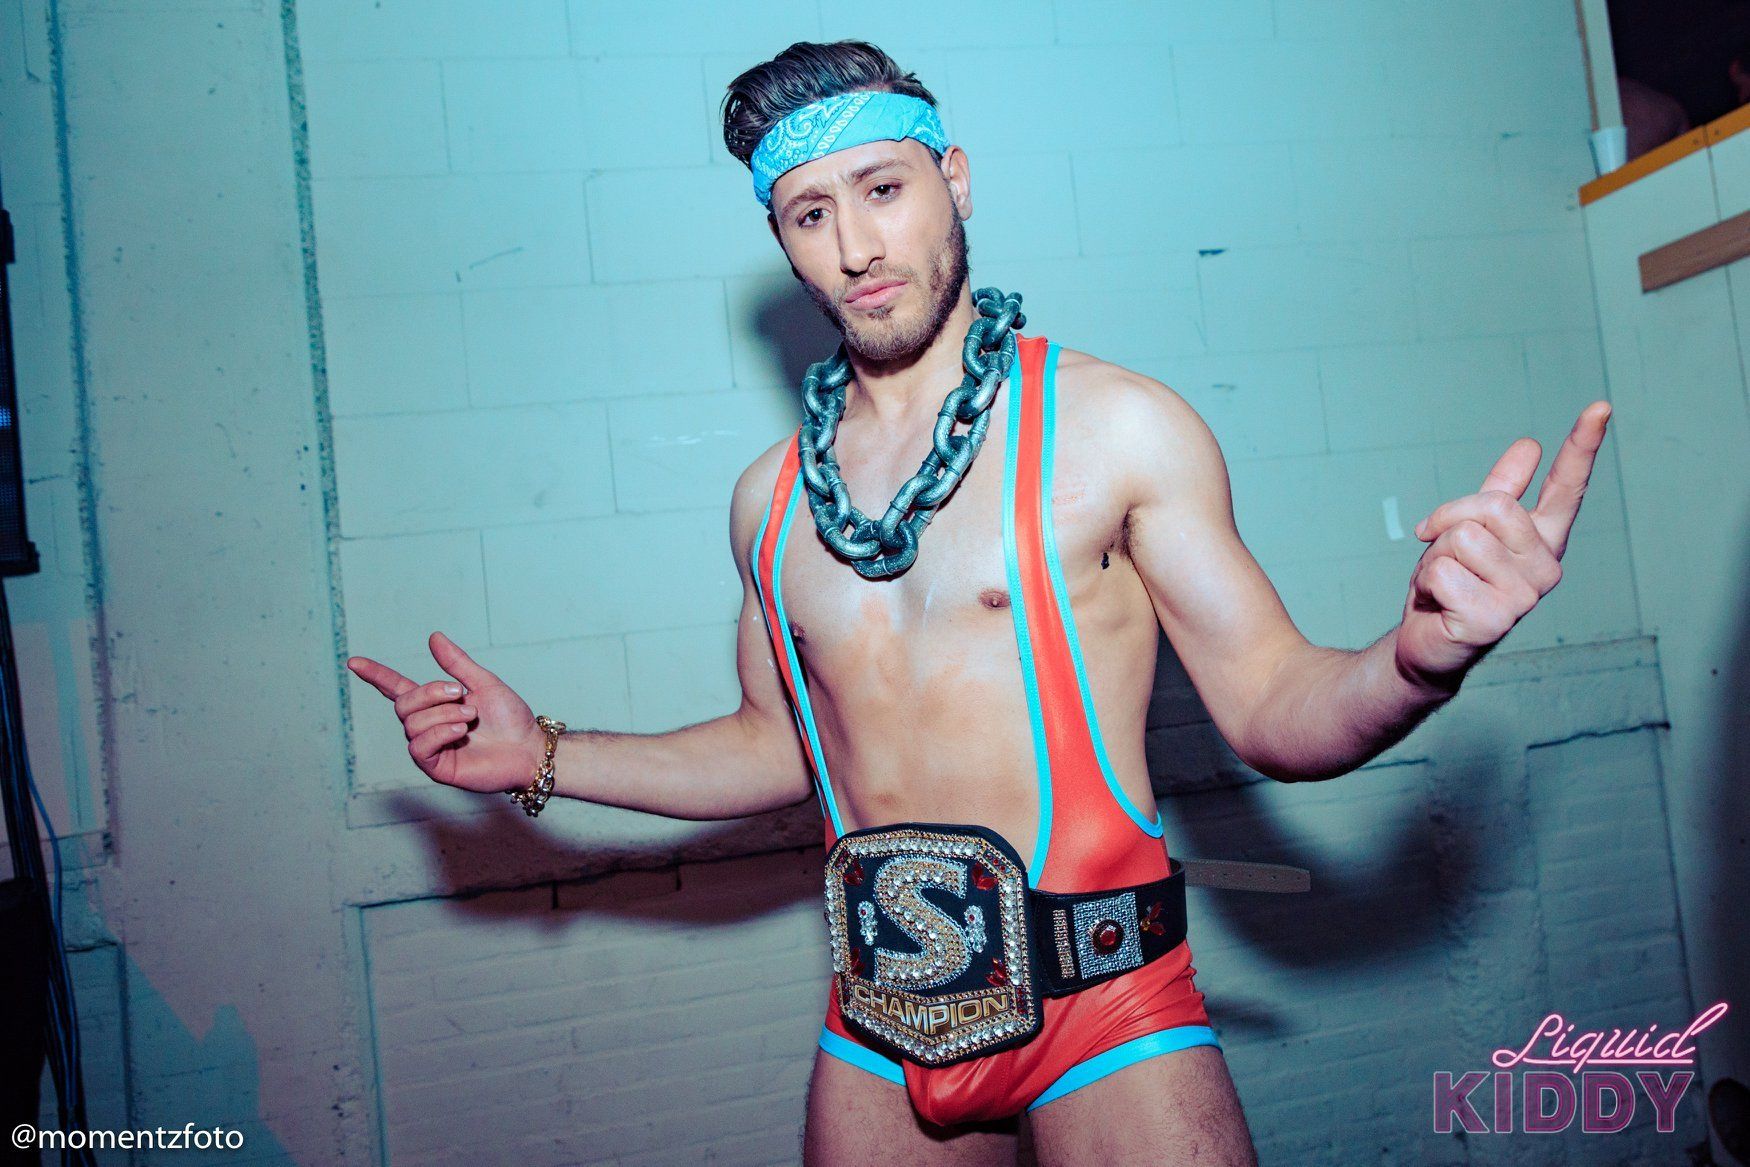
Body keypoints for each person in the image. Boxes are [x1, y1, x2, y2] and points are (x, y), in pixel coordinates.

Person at [347, 40, 1613, 1166]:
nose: (854, 247)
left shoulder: (1116, 430)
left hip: (1103, 1009)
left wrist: (1419, 655)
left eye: (882, 189)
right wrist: (545, 754)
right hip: (876, 1017)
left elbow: (1275, 707)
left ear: (954, 179)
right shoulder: (767, 502)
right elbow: (777, 749)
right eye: (808, 213)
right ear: (781, 239)